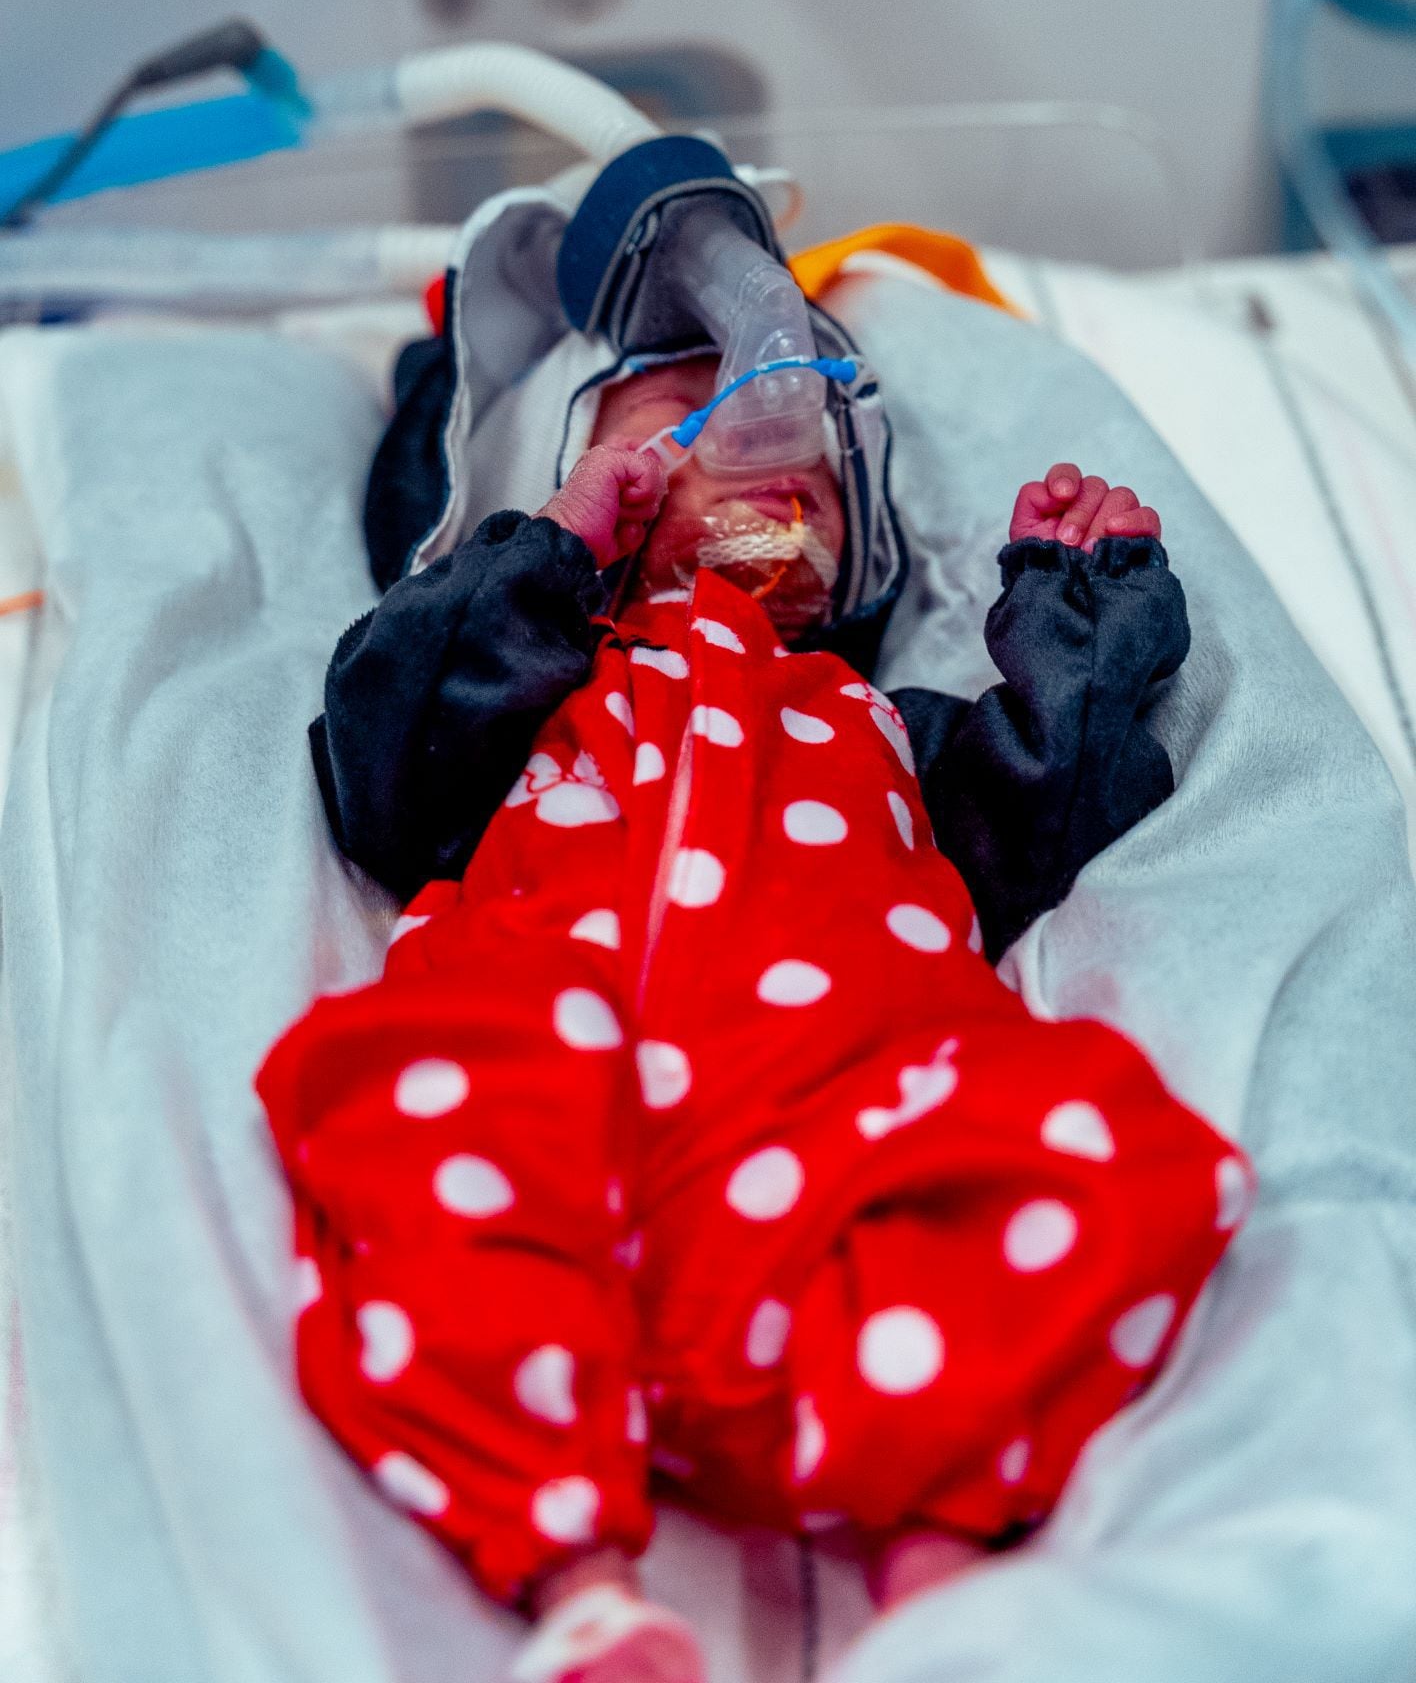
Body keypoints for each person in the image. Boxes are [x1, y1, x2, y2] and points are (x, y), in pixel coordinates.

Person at [257, 352, 1249, 1683]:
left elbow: (1059, 805)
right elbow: (382, 761)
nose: (779, 453)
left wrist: (1078, 605)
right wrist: (551, 552)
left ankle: (935, 1577)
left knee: (1090, 1120)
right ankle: (584, 1587)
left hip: (839, 1150)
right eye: (681, 419)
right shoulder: (538, 683)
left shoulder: (877, 720)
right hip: (560, 1129)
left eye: (825, 465)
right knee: (420, 1078)